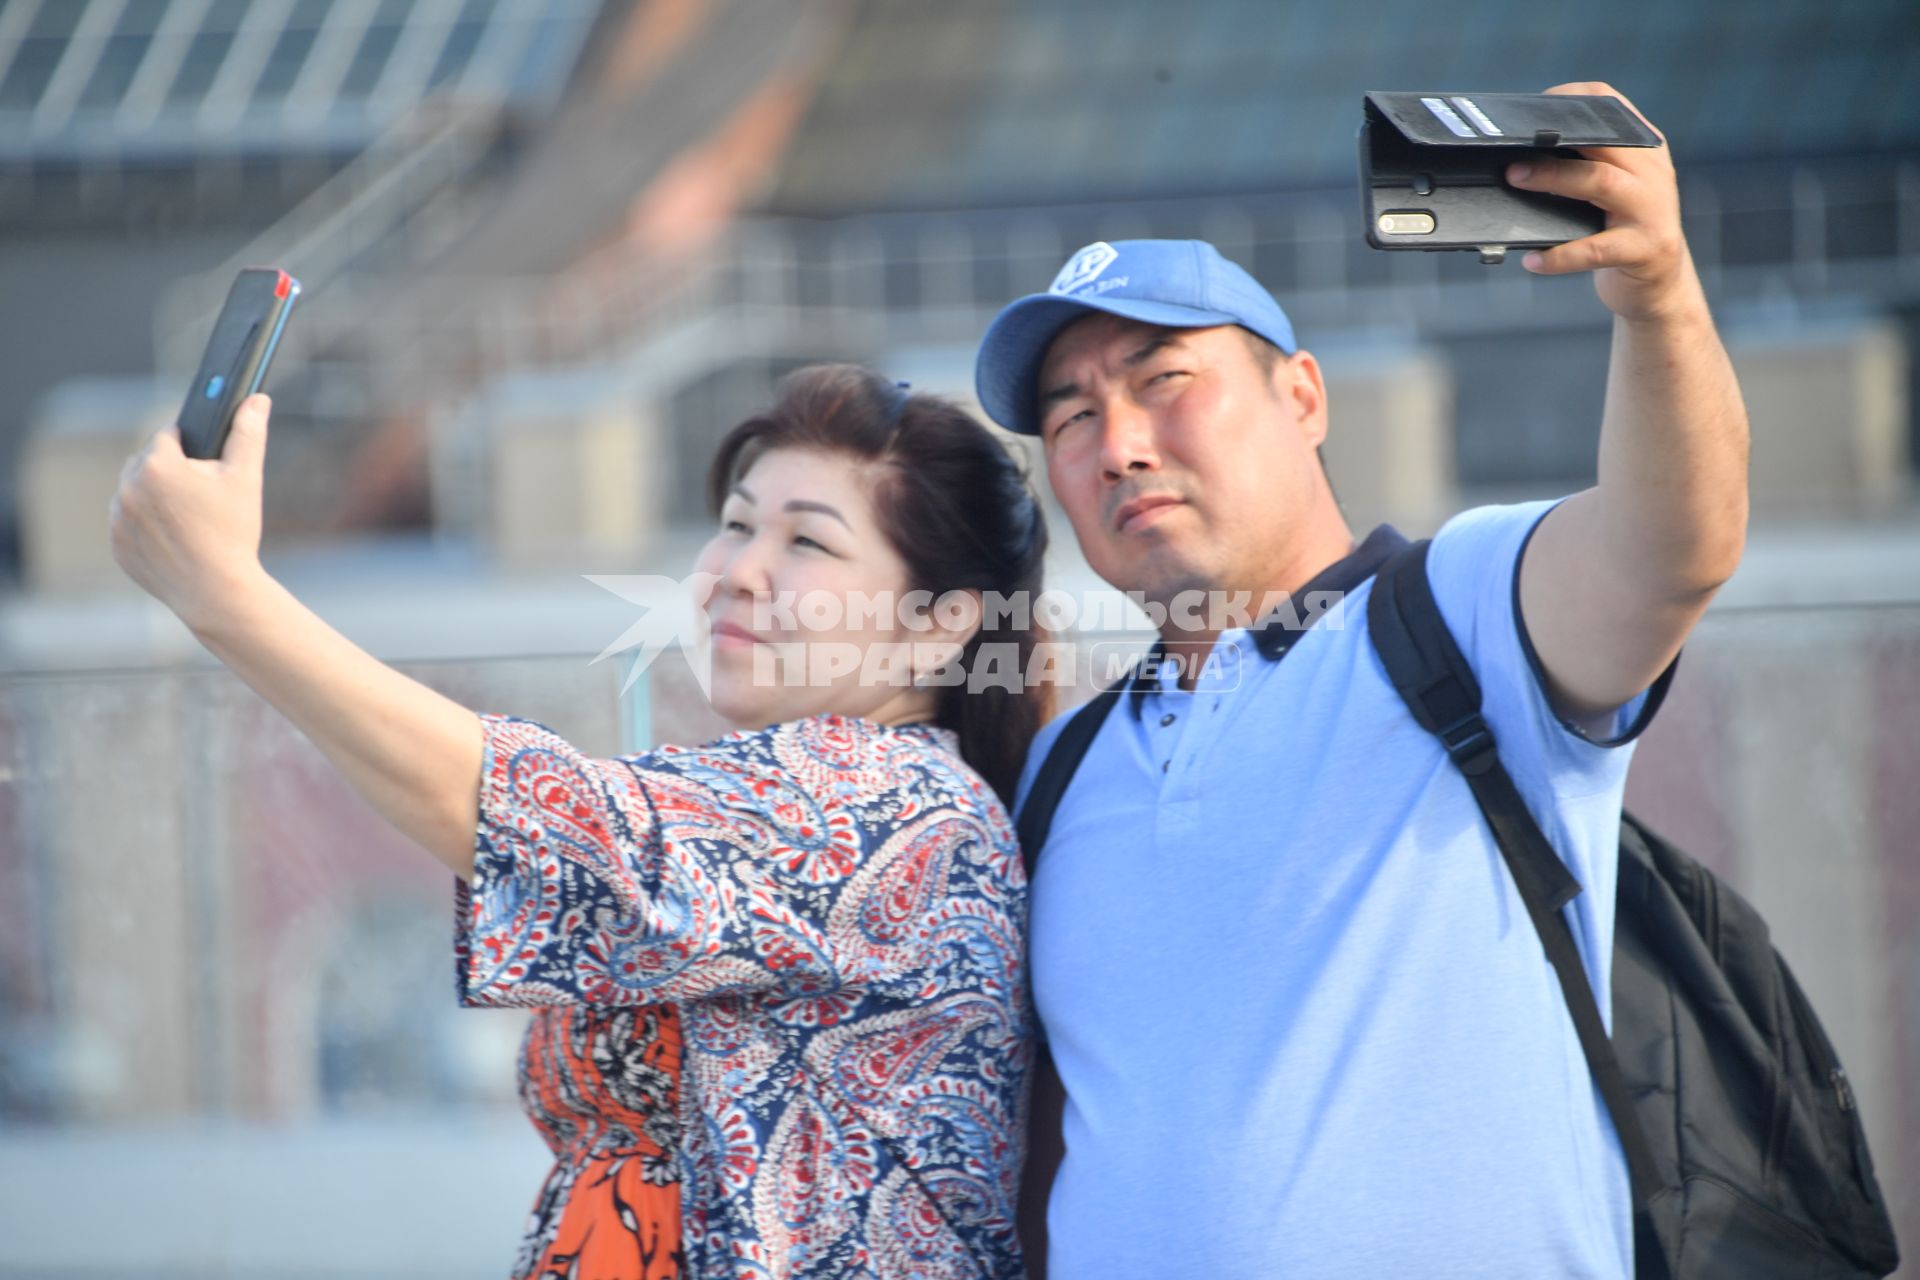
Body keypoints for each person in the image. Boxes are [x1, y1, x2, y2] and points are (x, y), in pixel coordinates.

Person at [972, 83, 1748, 1278]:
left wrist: (1656, 296)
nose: (1117, 441)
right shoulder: (1063, 770)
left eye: (1163, 378)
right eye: (1070, 414)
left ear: (1304, 396)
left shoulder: (1461, 611)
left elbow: (1674, 546)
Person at [109, 364, 1051, 1279]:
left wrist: (226, 596)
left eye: (808, 543)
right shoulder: (795, 789)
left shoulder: (884, 801)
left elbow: (530, 818)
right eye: (734, 526)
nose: (739, 573)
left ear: (941, 622)